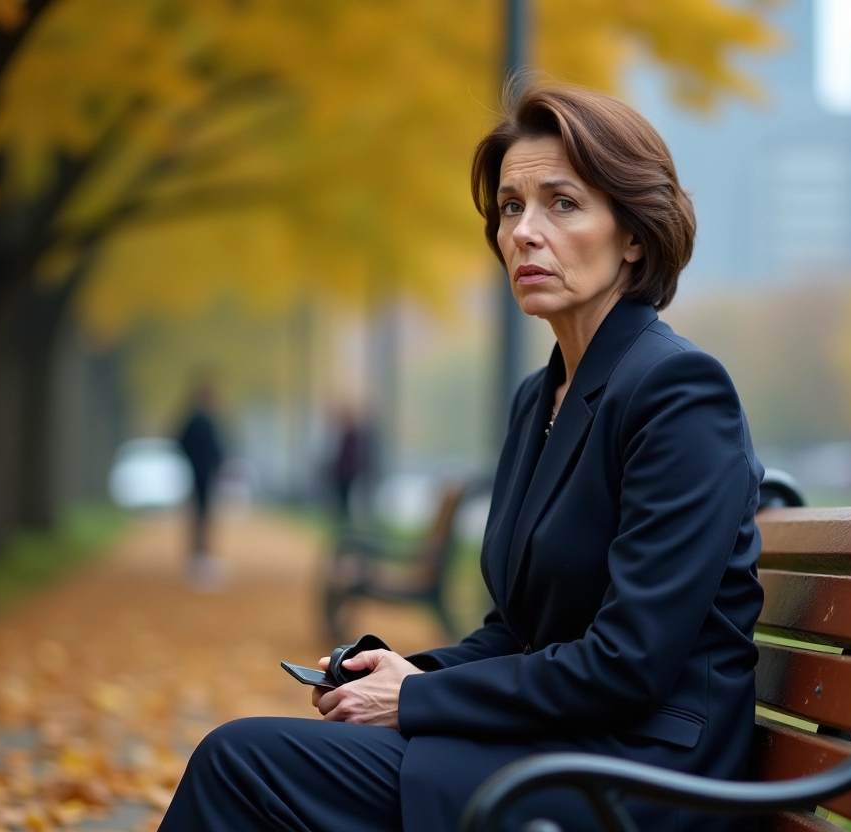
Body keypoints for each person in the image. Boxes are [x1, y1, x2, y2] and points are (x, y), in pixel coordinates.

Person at [159, 83, 765, 832]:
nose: (524, 232)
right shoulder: (540, 398)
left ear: (634, 235)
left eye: (562, 204)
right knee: (252, 761)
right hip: (558, 746)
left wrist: (414, 700)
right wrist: (403, 672)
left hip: (641, 775)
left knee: (240, 761)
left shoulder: (678, 392)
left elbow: (628, 663)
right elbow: (516, 632)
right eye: (511, 207)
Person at [176, 378, 225, 590]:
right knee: (201, 516)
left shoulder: (197, 419)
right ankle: (200, 559)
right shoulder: (200, 420)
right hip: (201, 474)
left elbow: (181, 442)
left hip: (199, 474)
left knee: (200, 515)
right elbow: (211, 448)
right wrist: (201, 461)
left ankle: (199, 557)